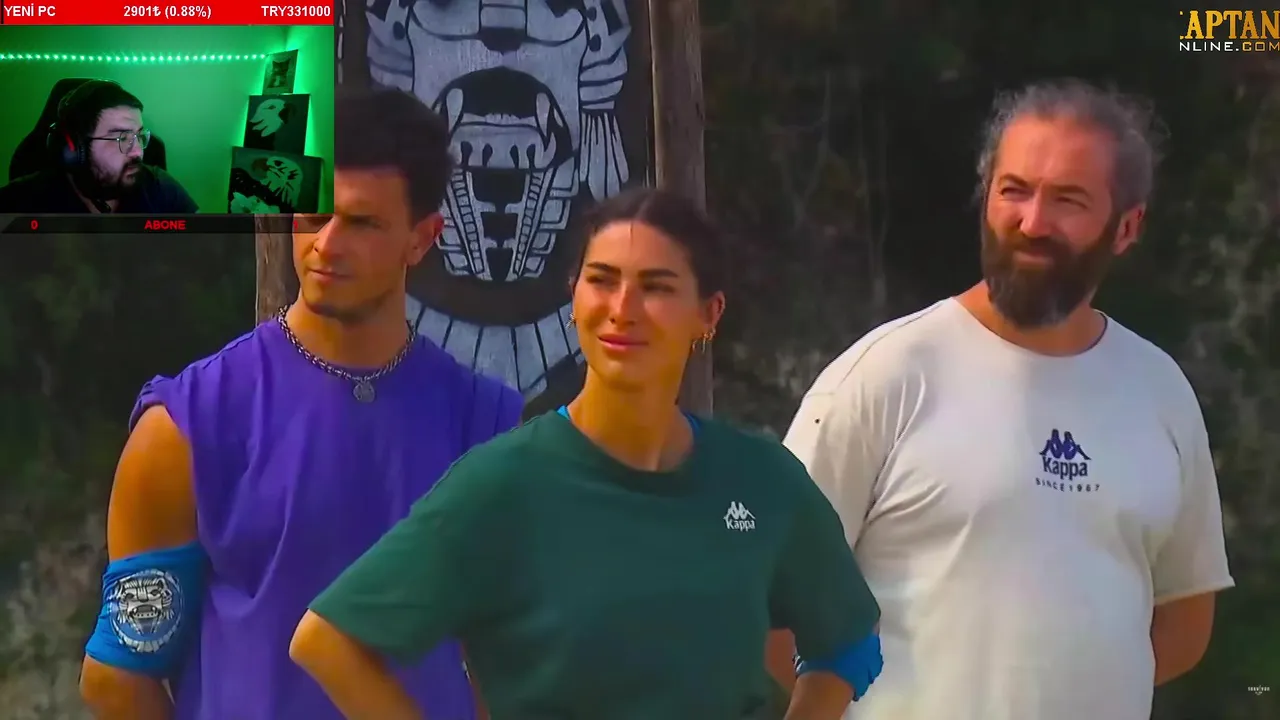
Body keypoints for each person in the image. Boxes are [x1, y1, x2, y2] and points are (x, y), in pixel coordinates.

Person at [288, 186, 884, 720]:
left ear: (709, 314)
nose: (622, 308)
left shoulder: (760, 479)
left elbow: (849, 641)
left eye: (656, 287)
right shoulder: (505, 484)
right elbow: (328, 642)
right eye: (601, 280)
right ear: (573, 296)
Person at [782, 78, 1234, 720]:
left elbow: (1184, 621)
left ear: (1127, 227)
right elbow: (772, 608)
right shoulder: (885, 375)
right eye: (1013, 190)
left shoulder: (1159, 391)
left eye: (1068, 200)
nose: (1032, 222)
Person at [77, 87, 521, 719]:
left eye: (362, 223)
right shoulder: (188, 427)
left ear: (422, 239)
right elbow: (118, 677)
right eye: (314, 217)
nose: (327, 245)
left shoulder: (486, 428)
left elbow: (506, 669)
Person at [0, 79, 197, 213]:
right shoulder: (18, 203)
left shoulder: (161, 189)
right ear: (74, 149)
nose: (138, 151)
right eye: (121, 138)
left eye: (139, 136)